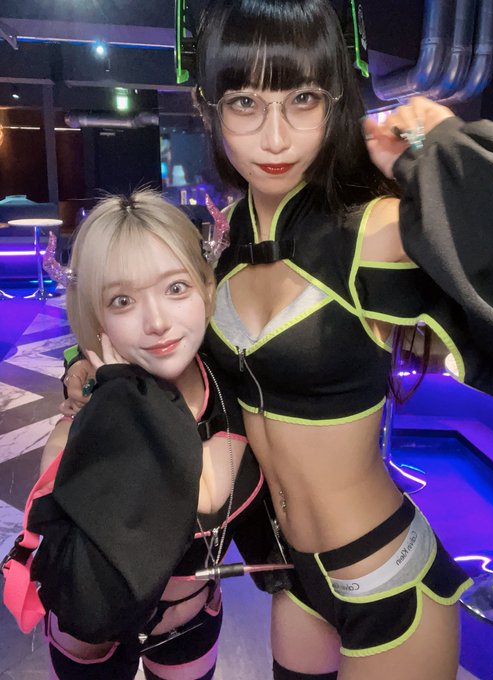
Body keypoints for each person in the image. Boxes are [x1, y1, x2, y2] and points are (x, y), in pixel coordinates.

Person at [64, 1, 493, 679]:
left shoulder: (372, 233)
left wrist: (442, 146)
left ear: (334, 101)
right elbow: (165, 343)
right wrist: (83, 365)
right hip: (292, 579)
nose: (274, 138)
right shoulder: (226, 251)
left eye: (302, 99)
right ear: (210, 107)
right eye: (245, 103)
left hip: (385, 578)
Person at [9, 190, 289, 680]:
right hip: (90, 632)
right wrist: (113, 399)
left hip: (190, 619)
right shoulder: (86, 418)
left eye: (176, 288)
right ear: (96, 316)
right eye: (122, 300)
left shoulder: (236, 386)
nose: (157, 322)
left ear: (206, 287)